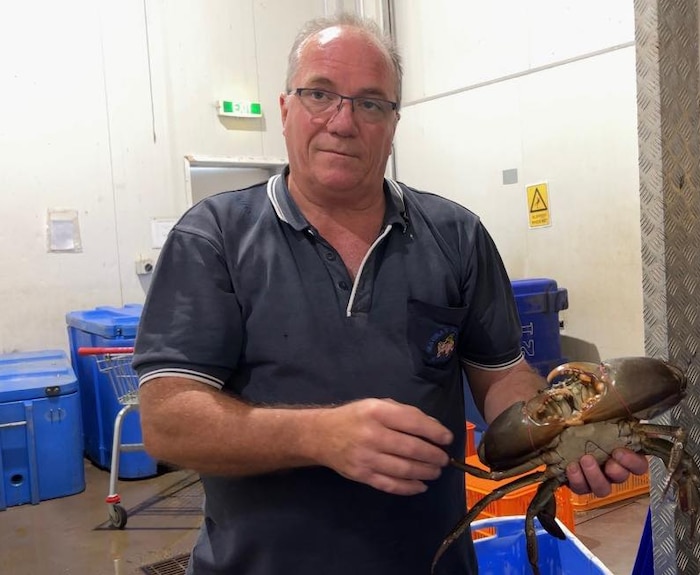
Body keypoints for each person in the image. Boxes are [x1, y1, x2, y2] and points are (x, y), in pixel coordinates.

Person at [132, 13, 647, 575]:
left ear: (394, 122)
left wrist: (557, 434)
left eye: (371, 102)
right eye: (319, 94)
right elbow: (167, 422)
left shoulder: (457, 235)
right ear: (285, 110)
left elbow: (501, 377)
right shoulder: (213, 238)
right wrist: (319, 436)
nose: (343, 120)